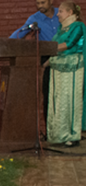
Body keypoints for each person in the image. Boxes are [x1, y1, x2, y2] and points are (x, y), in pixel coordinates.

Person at [11, 0, 60, 123]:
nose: (40, 6)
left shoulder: (61, 13)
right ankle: (51, 132)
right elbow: (21, 31)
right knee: (49, 95)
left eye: (43, 2)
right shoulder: (34, 18)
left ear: (51, 1)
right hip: (48, 58)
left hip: (66, 55)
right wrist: (7, 42)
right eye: (37, 3)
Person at [45, 2, 86, 146]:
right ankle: (58, 134)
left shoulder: (78, 26)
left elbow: (69, 44)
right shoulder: (61, 30)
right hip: (57, 70)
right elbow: (54, 50)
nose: (57, 14)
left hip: (72, 70)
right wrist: (43, 64)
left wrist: (44, 48)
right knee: (58, 101)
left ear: (69, 12)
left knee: (69, 100)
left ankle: (71, 135)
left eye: (60, 11)